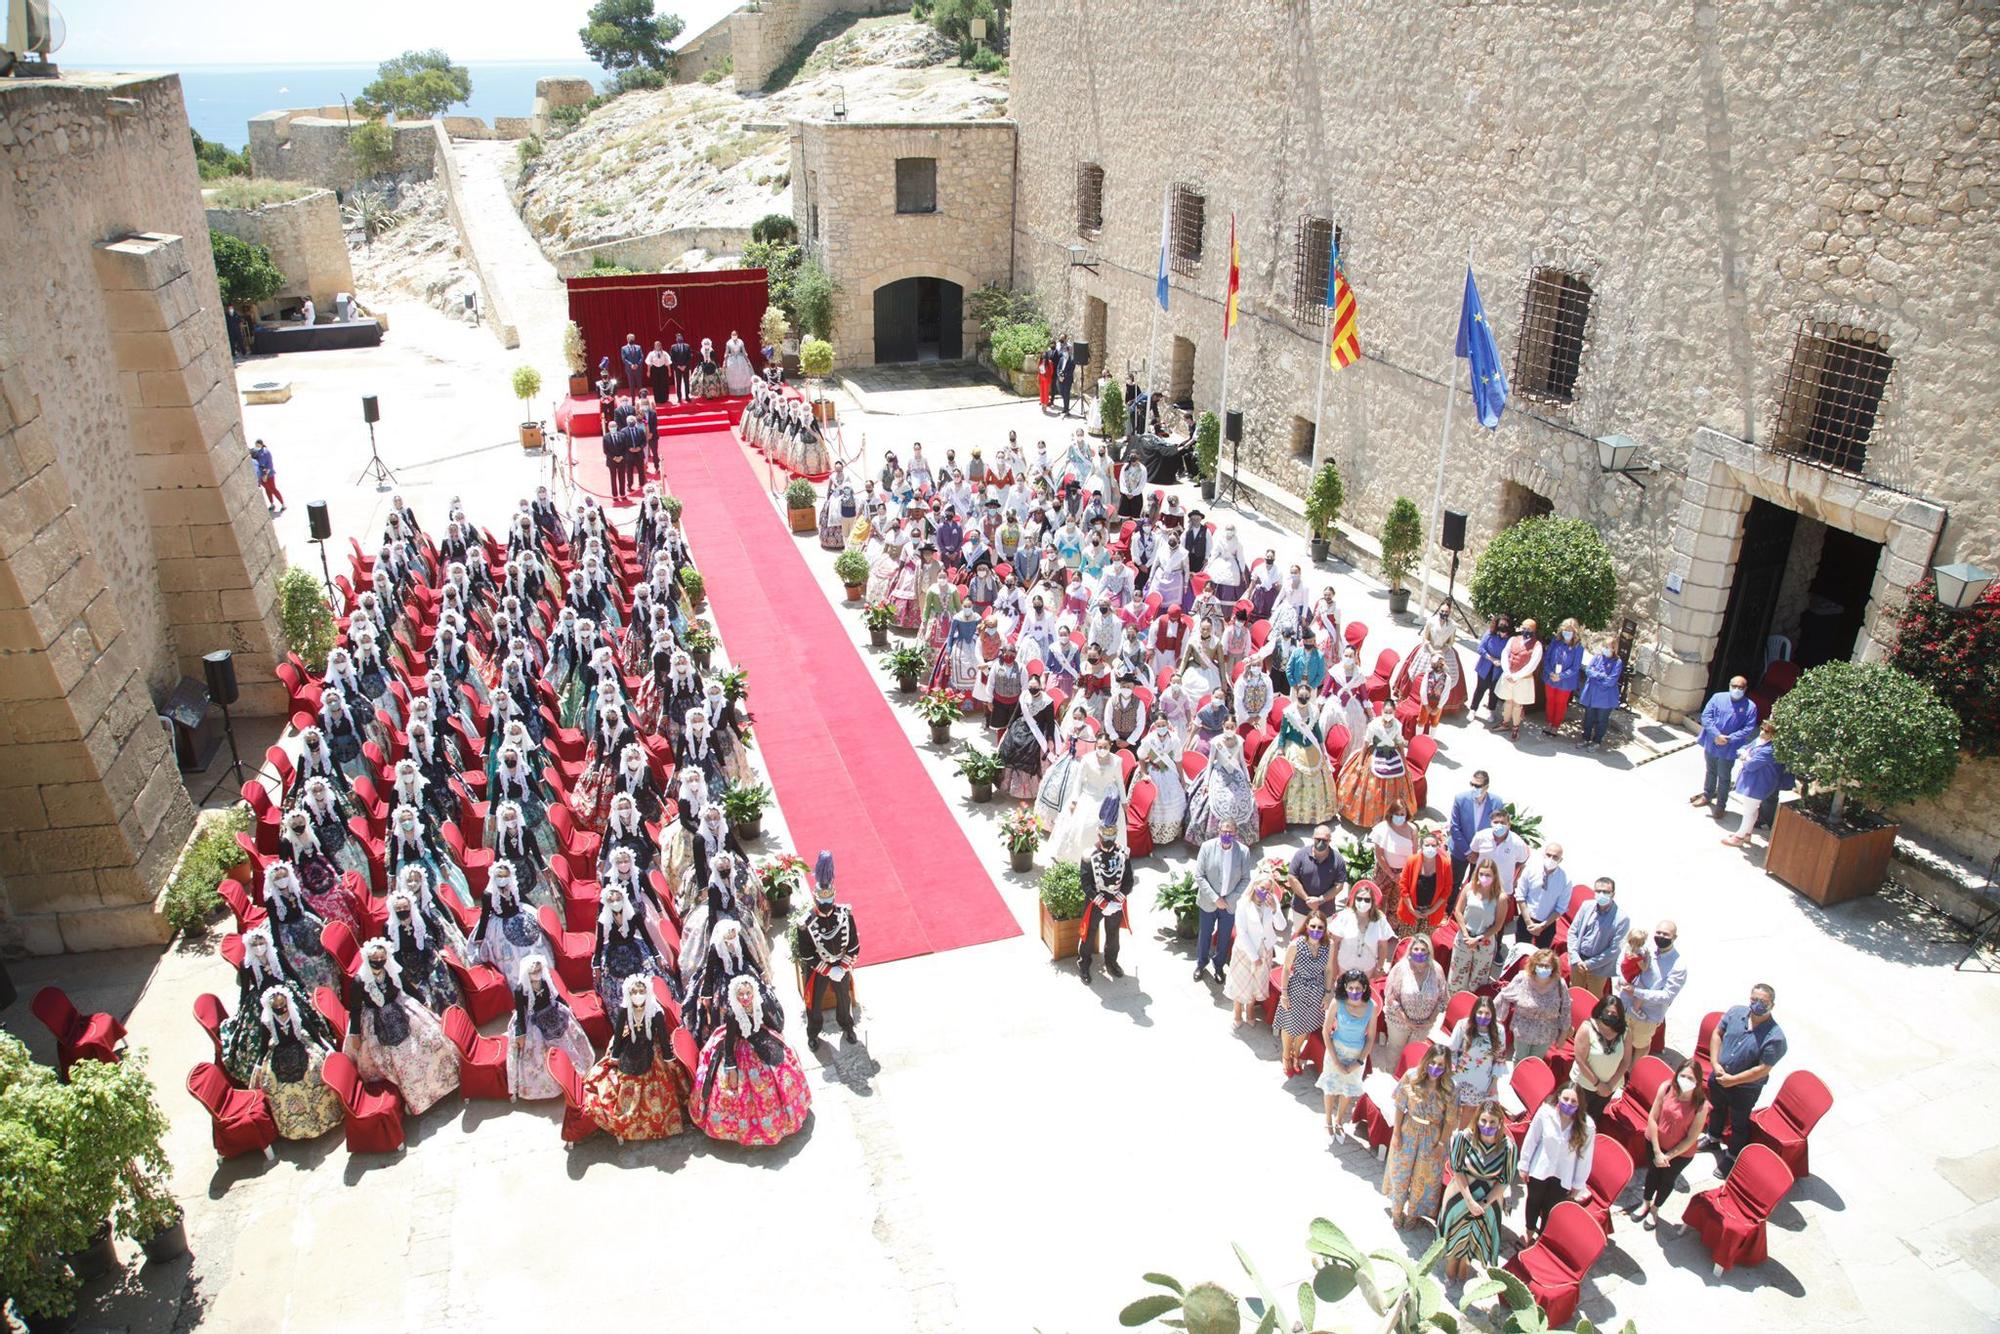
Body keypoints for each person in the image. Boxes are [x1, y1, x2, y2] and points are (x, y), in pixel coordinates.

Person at [690, 974, 811, 1147]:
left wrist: (777, 1036)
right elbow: (729, 1043)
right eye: (741, 994)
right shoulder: (733, 1015)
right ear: (735, 996)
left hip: (761, 1041)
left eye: (748, 993)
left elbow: (773, 1024)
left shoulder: (758, 1005)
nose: (745, 998)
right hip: (741, 1048)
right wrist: (731, 1068)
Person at [345, 938, 460, 1115]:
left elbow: (406, 986)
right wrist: (355, 1034)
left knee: (430, 1039)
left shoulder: (391, 970)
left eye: (382, 959)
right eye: (374, 960)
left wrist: (422, 1000)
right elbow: (355, 1008)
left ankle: (444, 1083)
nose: (378, 963)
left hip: (401, 1007)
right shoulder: (359, 981)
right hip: (376, 1020)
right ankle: (414, 1099)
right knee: (400, 1059)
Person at [582, 976, 689, 1141]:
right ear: (628, 993)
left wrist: (668, 1060)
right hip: (630, 1047)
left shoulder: (656, 1012)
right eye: (634, 992)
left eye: (641, 991)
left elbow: (662, 1036)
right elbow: (618, 1035)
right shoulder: (625, 1010)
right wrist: (615, 1056)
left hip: (651, 1049)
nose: (638, 995)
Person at [1701, 983, 1786, 1169]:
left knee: (1739, 1123)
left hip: (1745, 1089)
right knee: (1717, 1109)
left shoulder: (1775, 1037)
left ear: (1772, 1004)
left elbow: (1763, 1068)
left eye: (1763, 1001)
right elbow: (1717, 1033)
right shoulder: (1735, 1013)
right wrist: (1715, 1064)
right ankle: (1713, 1137)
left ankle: (1731, 1156)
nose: (1757, 1004)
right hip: (1720, 1076)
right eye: (1754, 999)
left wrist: (1734, 1080)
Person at [250, 985, 343, 1140]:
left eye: (283, 1005)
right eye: (277, 1006)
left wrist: (326, 1049)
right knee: (276, 1084)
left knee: (313, 1074)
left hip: (302, 1048)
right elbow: (263, 1046)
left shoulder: (296, 1013)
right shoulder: (267, 1021)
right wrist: (258, 1067)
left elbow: (314, 1034)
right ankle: (294, 1129)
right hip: (280, 1054)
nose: (281, 1008)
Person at [1438, 1101, 1518, 1280]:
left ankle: (1464, 1267)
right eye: (1483, 1121)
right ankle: (1450, 1268)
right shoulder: (1464, 1138)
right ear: (1477, 1119)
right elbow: (1457, 1169)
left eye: (1492, 1122)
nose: (1487, 1126)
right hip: (1461, 1194)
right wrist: (1469, 1200)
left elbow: (1505, 1180)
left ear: (1499, 1123)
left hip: (1489, 1199)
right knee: (1456, 1233)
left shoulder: (1508, 1147)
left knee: (1475, 1238)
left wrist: (1484, 1203)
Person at [1382, 1042, 1455, 1227]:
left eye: (1441, 1065)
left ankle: (1414, 1212)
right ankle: (1397, 1210)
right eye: (1433, 1063)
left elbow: (1450, 1120)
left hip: (1433, 1135)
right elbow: (1399, 1106)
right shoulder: (1411, 1076)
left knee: (1425, 1176)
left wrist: (1441, 1144)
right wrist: (1396, 1134)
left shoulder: (1450, 1088)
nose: (1435, 1068)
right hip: (1409, 1128)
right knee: (1400, 1170)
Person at [1629, 1057, 1709, 1228]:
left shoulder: (1701, 1105)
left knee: (1666, 1180)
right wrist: (1658, 1152)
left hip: (1680, 1153)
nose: (1686, 1081)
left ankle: (1655, 1209)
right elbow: (1653, 1117)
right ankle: (1646, 1203)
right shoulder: (1666, 1088)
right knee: (1652, 1174)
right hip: (1655, 1143)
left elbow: (1691, 1138)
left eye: (1691, 1079)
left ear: (1698, 1082)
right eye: (1683, 1076)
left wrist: (1668, 1156)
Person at [795, 852, 860, 1045]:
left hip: (841, 965)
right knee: (814, 1004)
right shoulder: (805, 923)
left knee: (844, 1000)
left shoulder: (845, 914)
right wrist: (829, 970)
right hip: (819, 969)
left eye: (828, 901)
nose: (825, 905)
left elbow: (854, 944)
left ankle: (847, 1026)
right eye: (821, 901)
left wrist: (842, 967)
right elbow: (806, 954)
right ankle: (813, 1034)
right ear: (816, 900)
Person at [1518, 1086, 1597, 1243]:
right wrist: (1524, 1164)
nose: (1569, 1103)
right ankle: (1529, 1231)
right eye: (1565, 1099)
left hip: (1563, 1174)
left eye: (1574, 1101)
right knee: (1534, 1200)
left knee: (1551, 1207)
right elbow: (1531, 1138)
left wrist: (1578, 1184)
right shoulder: (1545, 1113)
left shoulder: (1587, 1126)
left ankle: (1543, 1236)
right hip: (1540, 1168)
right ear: (1558, 1097)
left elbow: (1585, 1157)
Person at [1076, 797, 1132, 984]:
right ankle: (1084, 963)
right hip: (1096, 902)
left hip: (1115, 902)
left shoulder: (1123, 853)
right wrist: (1102, 902)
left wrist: (1117, 901)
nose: (1108, 842)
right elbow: (1086, 884)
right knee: (1088, 934)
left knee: (1113, 935)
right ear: (1099, 837)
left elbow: (1129, 881)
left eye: (1111, 838)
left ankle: (1111, 961)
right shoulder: (1088, 856)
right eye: (1105, 838)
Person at [1048, 734, 1127, 863]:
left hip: (1107, 800)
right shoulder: (1087, 759)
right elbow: (1078, 781)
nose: (1101, 749)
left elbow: (1119, 782)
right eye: (1099, 746)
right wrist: (1074, 800)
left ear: (1110, 746)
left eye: (1105, 747)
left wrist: (1124, 802)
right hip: (1089, 796)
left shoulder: (1117, 761)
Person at [1275, 912, 1335, 1076]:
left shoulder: (1329, 944)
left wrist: (1328, 993)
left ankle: (1296, 1053)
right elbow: (1286, 969)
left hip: (1317, 991)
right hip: (1296, 989)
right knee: (1290, 1025)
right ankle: (1286, 1056)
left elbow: (1329, 969)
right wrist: (1284, 994)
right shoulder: (1296, 944)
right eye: (1313, 926)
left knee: (1306, 1025)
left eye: (1320, 927)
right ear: (1307, 926)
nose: (1316, 930)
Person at [1320, 969, 1378, 1138]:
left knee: (1347, 1089)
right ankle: (1328, 1120)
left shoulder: (1371, 1007)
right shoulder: (1337, 1002)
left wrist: (1359, 1061)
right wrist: (1336, 1061)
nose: (1354, 992)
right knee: (1330, 1087)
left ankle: (1339, 1120)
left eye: (1358, 989)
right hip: (1336, 1050)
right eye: (1350, 988)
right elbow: (1325, 1031)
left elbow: (1371, 1037)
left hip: (1357, 1053)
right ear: (1345, 987)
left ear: (1365, 988)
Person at [1192, 818, 1252, 983]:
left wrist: (1230, 899)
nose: (1226, 835)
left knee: (1224, 937)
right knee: (1205, 935)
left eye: (1230, 832)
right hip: (1208, 902)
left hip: (1229, 904)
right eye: (1224, 831)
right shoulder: (1207, 847)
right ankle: (1201, 963)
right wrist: (1215, 898)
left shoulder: (1243, 852)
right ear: (1218, 832)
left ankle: (1218, 965)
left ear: (1235, 833)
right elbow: (1199, 875)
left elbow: (1246, 879)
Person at [1693, 674, 1759, 819]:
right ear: (1729, 686)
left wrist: (1729, 739)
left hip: (1729, 748)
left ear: (1745, 688)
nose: (1737, 689)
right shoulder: (1717, 697)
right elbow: (1706, 716)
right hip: (1712, 742)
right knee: (1710, 771)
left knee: (1724, 777)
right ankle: (1707, 795)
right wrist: (1716, 735)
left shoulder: (1750, 707)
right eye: (1734, 686)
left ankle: (1721, 806)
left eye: (1740, 687)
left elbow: (1748, 728)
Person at [1337, 707, 1414, 829]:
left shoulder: (1397, 725)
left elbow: (1399, 743)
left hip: (1392, 755)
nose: (1388, 715)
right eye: (1386, 712)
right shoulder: (1374, 725)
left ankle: (1392, 816)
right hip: (1374, 755)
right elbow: (1366, 743)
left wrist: (1405, 763)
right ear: (1382, 712)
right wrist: (1361, 763)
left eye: (1390, 712)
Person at [1224, 871, 1284, 1027]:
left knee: (1256, 983)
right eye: (1262, 888)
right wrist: (1254, 956)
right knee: (1241, 981)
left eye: (1269, 890)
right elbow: (1242, 932)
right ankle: (1237, 1012)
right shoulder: (1243, 903)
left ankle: (1250, 1010)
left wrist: (1275, 909)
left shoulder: (1272, 902)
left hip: (1265, 949)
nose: (1265, 892)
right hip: (1245, 950)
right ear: (1255, 886)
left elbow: (1281, 926)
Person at [1722, 722, 1793, 847]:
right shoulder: (1759, 741)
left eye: (1766, 731)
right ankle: (1747, 834)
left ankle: (1738, 837)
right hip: (1753, 781)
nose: (1762, 732)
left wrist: (1745, 757)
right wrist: (1746, 755)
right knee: (1752, 810)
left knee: (1749, 811)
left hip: (1759, 783)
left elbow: (1751, 765)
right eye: (1762, 728)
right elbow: (1744, 748)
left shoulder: (1770, 749)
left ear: (1774, 735)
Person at [1619, 920, 1683, 1056]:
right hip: (1626, 1005)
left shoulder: (1678, 965)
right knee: (1622, 1042)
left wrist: (1637, 992)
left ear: (1674, 937)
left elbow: (1667, 996)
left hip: (1647, 1016)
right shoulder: (1647, 949)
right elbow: (1624, 963)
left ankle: (1634, 1073)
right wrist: (1623, 980)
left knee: (1640, 1046)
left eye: (1666, 934)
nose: (1661, 936)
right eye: (1658, 933)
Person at [1445, 860, 1508, 994]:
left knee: (1478, 980)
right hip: (1465, 938)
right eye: (1481, 874)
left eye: (1488, 875)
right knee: (1457, 977)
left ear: (1495, 876)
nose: (1484, 878)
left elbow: (1498, 925)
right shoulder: (1469, 888)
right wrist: (1466, 935)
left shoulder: (1500, 898)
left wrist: (1478, 939)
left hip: (1484, 941)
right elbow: (1458, 911)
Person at [1496, 948, 1568, 1064]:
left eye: (1547, 966)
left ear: (1553, 968)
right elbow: (1504, 995)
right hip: (1523, 1029)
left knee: (1536, 1062)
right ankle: (1517, 1080)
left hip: (1546, 1031)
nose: (1543, 969)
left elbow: (1565, 1009)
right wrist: (1498, 1019)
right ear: (1534, 965)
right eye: (1540, 965)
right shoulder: (1522, 978)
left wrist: (1563, 1034)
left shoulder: (1560, 984)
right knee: (1519, 1059)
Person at [1446, 993, 1507, 1130]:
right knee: (1452, 1109)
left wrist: (1494, 1083)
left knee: (1469, 1111)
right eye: (1480, 1012)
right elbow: (1452, 1048)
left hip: (1481, 1080)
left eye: (1487, 1013)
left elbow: (1499, 1059)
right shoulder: (1463, 1025)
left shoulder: (1499, 1031)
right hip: (1459, 1076)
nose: (1483, 1017)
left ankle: (1459, 1137)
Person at [1381, 935, 1446, 1061]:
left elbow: (1442, 999)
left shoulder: (1437, 970)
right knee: (1395, 1051)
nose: (1419, 952)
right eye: (1416, 949)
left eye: (1423, 950)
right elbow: (1390, 998)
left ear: (1429, 952)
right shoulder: (1401, 968)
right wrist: (1406, 1020)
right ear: (1410, 951)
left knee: (1413, 1055)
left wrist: (1431, 1020)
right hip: (1399, 1022)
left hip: (1424, 1025)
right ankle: (1392, 1074)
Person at [1568, 994, 1632, 1119]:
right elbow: (1581, 1061)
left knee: (1592, 1120)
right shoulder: (1587, 1028)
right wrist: (1598, 1084)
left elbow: (1626, 1061)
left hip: (1608, 1088)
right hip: (1583, 1085)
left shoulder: (1625, 1032)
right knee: (1574, 1118)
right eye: (1606, 1012)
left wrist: (1609, 1085)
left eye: (1614, 1014)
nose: (1609, 1016)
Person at [1565, 877, 1628, 997]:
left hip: (1599, 968)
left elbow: (1614, 950)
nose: (1601, 894)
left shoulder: (1621, 918)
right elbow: (1573, 932)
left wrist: (1589, 964)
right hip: (1577, 962)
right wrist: (1576, 959)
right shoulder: (1586, 906)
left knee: (1594, 1000)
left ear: (1613, 894)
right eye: (1598, 891)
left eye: (1605, 892)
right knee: (1574, 996)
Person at [1285, 826, 1348, 932]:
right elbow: (1292, 878)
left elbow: (1339, 885)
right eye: (1318, 839)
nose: (1321, 843)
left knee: (1322, 939)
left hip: (1325, 911)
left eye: (1325, 840)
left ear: (1330, 841)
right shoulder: (1301, 855)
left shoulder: (1337, 860)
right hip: (1301, 909)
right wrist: (1307, 899)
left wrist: (1320, 900)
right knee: (1301, 937)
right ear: (1313, 838)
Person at [1447, 771, 1501, 889]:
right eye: (1471, 784)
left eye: (1477, 786)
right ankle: (1450, 907)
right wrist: (1468, 852)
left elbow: (1497, 828)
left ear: (1486, 787)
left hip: (1482, 853)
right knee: (1453, 883)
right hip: (1460, 850)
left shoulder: (1497, 803)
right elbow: (1455, 827)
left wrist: (1478, 852)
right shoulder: (1460, 799)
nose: (1473, 788)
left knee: (1476, 885)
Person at [1330, 881, 1394, 980]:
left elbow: (1383, 946)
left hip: (1367, 969)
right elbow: (1334, 943)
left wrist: (1379, 968)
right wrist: (1334, 967)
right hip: (1344, 967)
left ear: (1372, 901)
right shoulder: (1345, 916)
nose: (1362, 902)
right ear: (1354, 899)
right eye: (1359, 899)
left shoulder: (1380, 919)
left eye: (1367, 900)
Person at [1512, 843, 1570, 949]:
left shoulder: (1565, 880)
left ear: (1560, 860)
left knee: (1540, 958)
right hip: (1526, 920)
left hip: (1547, 924)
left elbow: (1561, 907)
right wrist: (1528, 922)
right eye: (1548, 855)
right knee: (1520, 952)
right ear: (1543, 855)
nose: (1551, 859)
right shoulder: (1530, 870)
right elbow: (1520, 896)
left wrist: (1542, 926)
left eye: (1555, 857)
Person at [1465, 805, 1529, 896]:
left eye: (1502, 823)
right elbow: (1474, 853)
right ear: (1491, 823)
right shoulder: (1480, 836)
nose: (1499, 825)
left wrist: (1515, 880)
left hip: (1502, 890)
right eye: (1496, 822)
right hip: (1479, 886)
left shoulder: (1518, 843)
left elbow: (1522, 862)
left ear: (1509, 825)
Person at [1495, 619, 1542, 740]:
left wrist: (1516, 676)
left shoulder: (1537, 646)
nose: (1526, 631)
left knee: (1517, 705)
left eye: (1529, 629)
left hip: (1523, 679)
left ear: (1534, 630)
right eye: (1524, 628)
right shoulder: (1513, 639)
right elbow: (1505, 654)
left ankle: (1515, 727)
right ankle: (1505, 723)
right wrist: (1507, 672)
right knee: (1508, 701)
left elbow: (1532, 665)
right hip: (1509, 675)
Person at [1577, 635, 1624, 749]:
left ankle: (1596, 741)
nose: (1607, 649)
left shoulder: (1617, 662)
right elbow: (1588, 671)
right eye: (1605, 646)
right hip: (1592, 694)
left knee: (1601, 720)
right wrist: (1601, 675)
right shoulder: (1597, 657)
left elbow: (1610, 681)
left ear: (1614, 648)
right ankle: (1585, 738)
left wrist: (1595, 677)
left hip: (1605, 698)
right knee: (1588, 718)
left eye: (1610, 647)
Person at [1541, 618, 1584, 735]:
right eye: (1565, 629)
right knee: (1550, 701)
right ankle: (1549, 722)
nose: (1567, 632)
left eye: (1570, 630)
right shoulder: (1556, 641)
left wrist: (1561, 676)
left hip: (1566, 681)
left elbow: (1576, 667)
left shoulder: (1578, 647)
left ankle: (1555, 725)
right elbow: (1547, 657)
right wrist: (1550, 672)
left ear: (1575, 631)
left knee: (1561, 703)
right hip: (1550, 677)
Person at [1467, 614, 1510, 720]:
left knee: (1494, 692)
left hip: (1498, 670)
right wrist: (1491, 659)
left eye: (1505, 624)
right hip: (1485, 666)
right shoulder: (1490, 634)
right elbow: (1480, 648)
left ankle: (1491, 710)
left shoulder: (1509, 639)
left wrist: (1501, 661)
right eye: (1501, 624)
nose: (1503, 626)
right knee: (1480, 689)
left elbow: (1509, 654)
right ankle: (1473, 709)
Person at [250, 438, 284, 515]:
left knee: (273, 489)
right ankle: (272, 504)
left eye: (258, 445)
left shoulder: (265, 453)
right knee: (267, 490)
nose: (257, 446)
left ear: (261, 445)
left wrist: (266, 475)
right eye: (256, 445)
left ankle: (282, 504)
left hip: (268, 475)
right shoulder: (256, 452)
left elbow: (269, 465)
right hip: (261, 474)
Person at [723, 329, 755, 395]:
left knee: (743, 375)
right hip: (731, 360)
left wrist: (747, 361)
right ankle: (734, 391)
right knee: (733, 376)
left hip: (741, 360)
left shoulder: (740, 342)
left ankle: (743, 391)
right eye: (732, 334)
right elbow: (726, 352)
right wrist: (725, 362)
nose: (733, 335)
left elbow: (744, 352)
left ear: (737, 335)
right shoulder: (728, 342)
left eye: (735, 334)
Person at [668, 331, 693, 402]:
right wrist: (678, 366)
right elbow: (672, 358)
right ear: (676, 339)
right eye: (678, 337)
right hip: (677, 368)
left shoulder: (687, 346)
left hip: (686, 367)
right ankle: (679, 397)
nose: (679, 338)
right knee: (678, 383)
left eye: (680, 337)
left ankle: (687, 396)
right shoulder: (673, 347)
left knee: (686, 382)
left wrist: (685, 366)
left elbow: (689, 357)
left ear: (682, 338)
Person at [1054, 336, 1076, 416]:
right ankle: (1065, 407)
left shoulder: (1072, 360)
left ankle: (1066, 409)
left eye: (1066, 351)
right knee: (1061, 392)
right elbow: (1058, 368)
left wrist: (1064, 377)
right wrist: (1059, 375)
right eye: (1064, 351)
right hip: (1060, 379)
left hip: (1067, 380)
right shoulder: (1061, 359)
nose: (1065, 352)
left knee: (1066, 394)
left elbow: (1071, 371)